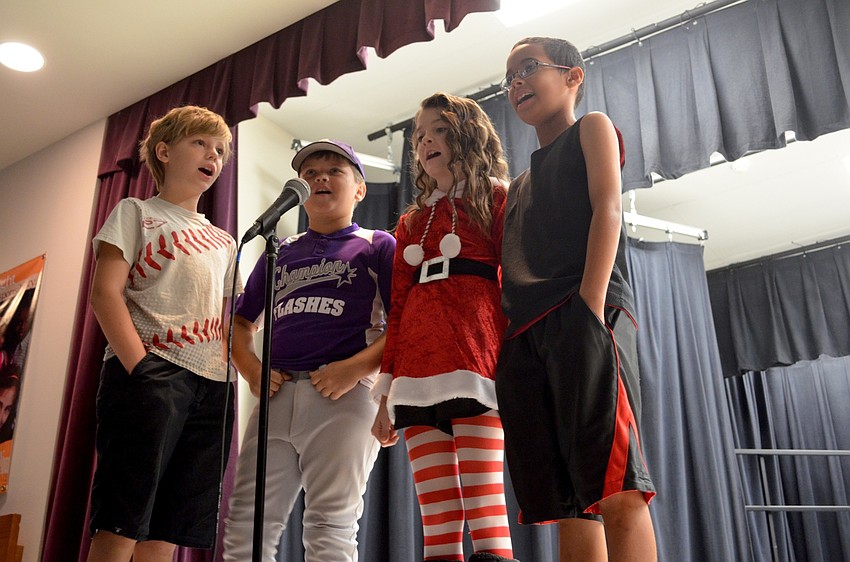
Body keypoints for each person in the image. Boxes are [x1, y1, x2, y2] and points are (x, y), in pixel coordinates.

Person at [495, 37, 657, 562]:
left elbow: (607, 210)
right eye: (510, 77)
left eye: (528, 68)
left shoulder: (592, 127)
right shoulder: (516, 186)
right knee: (567, 503)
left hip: (583, 315)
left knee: (615, 487)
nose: (517, 82)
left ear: (572, 76)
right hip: (526, 338)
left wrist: (588, 306)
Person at [222, 139, 394, 562]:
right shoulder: (280, 251)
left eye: (334, 170)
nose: (320, 176)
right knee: (246, 523)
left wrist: (353, 370)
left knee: (329, 526)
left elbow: (405, 324)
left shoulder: (377, 244)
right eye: (311, 171)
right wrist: (252, 371)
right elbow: (241, 324)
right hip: (276, 398)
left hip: (345, 397)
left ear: (359, 189)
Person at [87, 105, 240, 562]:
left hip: (213, 385)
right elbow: (105, 294)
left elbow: (228, 316)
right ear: (164, 152)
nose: (212, 155)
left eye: (219, 149)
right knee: (124, 517)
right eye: (199, 142)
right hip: (151, 373)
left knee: (171, 526)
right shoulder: (136, 212)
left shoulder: (225, 240)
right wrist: (143, 369)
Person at [371, 92, 517, 562]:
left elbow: (515, 284)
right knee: (437, 524)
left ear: (465, 134)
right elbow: (397, 306)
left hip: (475, 365)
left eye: (438, 129)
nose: (425, 140)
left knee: (485, 508)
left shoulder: (497, 198)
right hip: (414, 378)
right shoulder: (411, 222)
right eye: (418, 135)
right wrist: (384, 395)